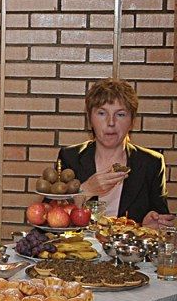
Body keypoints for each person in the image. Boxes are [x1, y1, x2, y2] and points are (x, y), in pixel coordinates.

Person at [59, 78, 171, 227]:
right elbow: (50, 216)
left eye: (120, 114)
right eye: (102, 113)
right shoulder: (70, 157)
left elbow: (161, 219)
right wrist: (85, 191)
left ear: (132, 121)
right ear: (89, 119)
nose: (111, 122)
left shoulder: (152, 163)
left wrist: (149, 226)